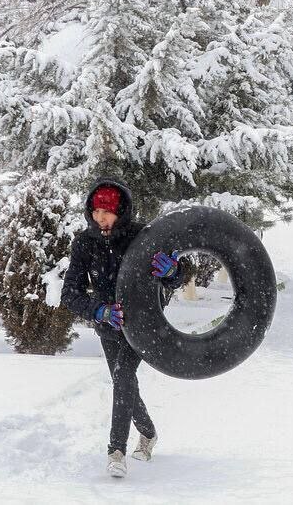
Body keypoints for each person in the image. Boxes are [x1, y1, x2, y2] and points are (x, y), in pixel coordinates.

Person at [62, 179, 183, 478]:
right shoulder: (85, 243)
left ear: (121, 212)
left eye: (107, 211)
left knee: (123, 375)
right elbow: (70, 294)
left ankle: (116, 451)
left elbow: (177, 274)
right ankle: (149, 432)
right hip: (109, 324)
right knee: (125, 383)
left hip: (144, 322)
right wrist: (99, 311)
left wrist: (173, 271)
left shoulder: (143, 235)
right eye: (95, 211)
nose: (100, 217)